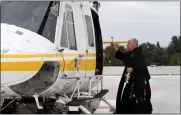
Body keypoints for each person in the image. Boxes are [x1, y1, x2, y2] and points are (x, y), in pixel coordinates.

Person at [111, 38, 153, 114]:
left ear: (134, 44)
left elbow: (142, 67)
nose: (127, 45)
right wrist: (114, 46)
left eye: (128, 43)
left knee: (138, 101)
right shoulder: (131, 53)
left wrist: (133, 69)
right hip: (132, 82)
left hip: (140, 84)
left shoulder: (139, 53)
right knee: (126, 97)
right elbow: (122, 55)